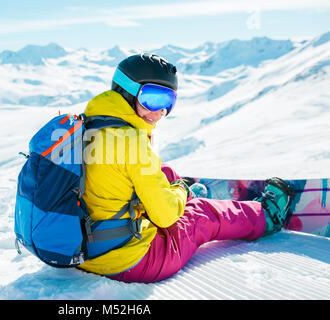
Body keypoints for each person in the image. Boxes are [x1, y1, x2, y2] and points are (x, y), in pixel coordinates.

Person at [77, 53, 295, 283]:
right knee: (202, 215)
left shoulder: (89, 125)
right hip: (131, 262)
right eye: (153, 98)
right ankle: (267, 215)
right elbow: (165, 218)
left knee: (164, 172)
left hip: (86, 251)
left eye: (167, 102)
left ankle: (182, 193)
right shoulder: (131, 143)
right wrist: (181, 191)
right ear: (127, 91)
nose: (159, 113)